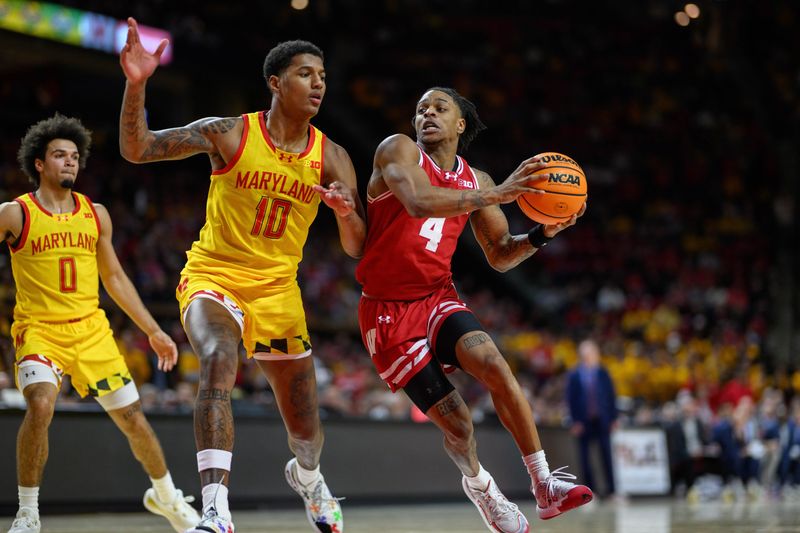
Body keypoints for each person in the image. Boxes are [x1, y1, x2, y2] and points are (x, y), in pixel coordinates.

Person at [118, 18, 365, 533]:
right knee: (217, 359)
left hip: (279, 291)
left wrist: (345, 214)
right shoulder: (229, 132)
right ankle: (215, 509)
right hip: (215, 275)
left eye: (322, 75)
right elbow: (137, 149)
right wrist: (137, 84)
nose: (318, 83)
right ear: (275, 83)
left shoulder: (333, 158)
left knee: (306, 430)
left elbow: (356, 247)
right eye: (305, 73)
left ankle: (310, 477)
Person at [355, 87, 591, 533]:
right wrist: (496, 195)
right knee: (460, 426)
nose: (427, 114)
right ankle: (482, 487)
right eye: (420, 108)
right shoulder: (398, 150)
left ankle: (544, 485)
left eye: (439, 108)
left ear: (460, 124)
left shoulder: (478, 181)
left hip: (438, 296)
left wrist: (543, 233)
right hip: (388, 313)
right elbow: (419, 201)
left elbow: (501, 254)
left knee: (494, 364)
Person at [1, 114, 200, 533]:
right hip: (39, 329)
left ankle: (165, 498)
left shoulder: (96, 214)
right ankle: (28, 511)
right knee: (40, 404)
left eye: (75, 156)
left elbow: (114, 278)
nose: (70, 162)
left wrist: (153, 329)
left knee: (134, 421)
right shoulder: (14, 214)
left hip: (91, 330)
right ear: (39, 163)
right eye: (60, 155)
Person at [566, 338, 619, 499]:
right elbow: (571, 399)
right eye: (584, 353)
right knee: (585, 458)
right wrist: (574, 421)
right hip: (583, 422)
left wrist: (613, 418)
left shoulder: (603, 372)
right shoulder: (575, 374)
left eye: (590, 352)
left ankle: (612, 491)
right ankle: (590, 493)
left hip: (602, 420)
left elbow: (611, 396)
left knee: (607, 456)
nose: (587, 356)